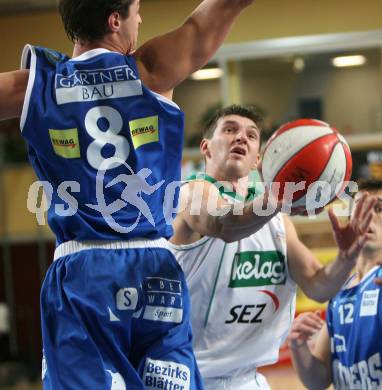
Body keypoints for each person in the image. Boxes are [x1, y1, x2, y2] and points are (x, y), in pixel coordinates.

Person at [0, 1, 258, 388]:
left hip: (82, 272)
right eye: (136, 10)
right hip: (155, 268)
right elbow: (214, 16)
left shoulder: (37, 83)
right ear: (114, 20)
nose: (141, 18)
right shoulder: (151, 68)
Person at [169, 104, 376, 390]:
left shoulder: (277, 222)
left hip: (248, 379)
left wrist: (346, 258)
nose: (241, 137)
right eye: (229, 130)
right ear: (206, 147)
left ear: (258, 160)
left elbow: (318, 287)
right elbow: (225, 224)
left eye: (251, 135)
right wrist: (282, 193)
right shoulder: (191, 194)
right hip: (185, 377)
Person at [288, 179, 382, 390]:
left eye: (379, 208)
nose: (368, 216)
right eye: (361, 208)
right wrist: (298, 345)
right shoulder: (339, 290)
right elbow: (319, 380)